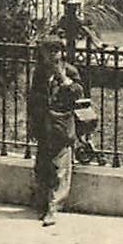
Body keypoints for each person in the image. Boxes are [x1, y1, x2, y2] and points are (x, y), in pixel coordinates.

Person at [27, 34, 83, 227]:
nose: (52, 56)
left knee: (60, 168)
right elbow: (33, 99)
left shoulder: (70, 72)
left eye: (56, 51)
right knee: (42, 165)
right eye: (48, 52)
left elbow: (77, 93)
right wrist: (32, 123)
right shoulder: (39, 73)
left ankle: (53, 207)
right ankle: (42, 201)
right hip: (44, 125)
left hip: (61, 126)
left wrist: (63, 79)